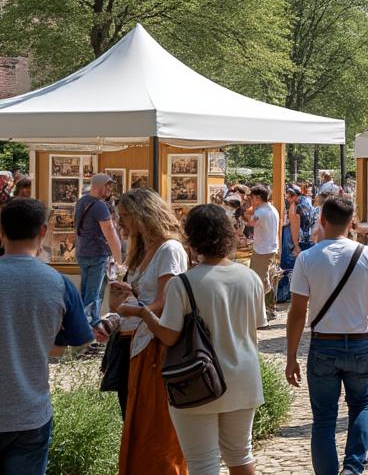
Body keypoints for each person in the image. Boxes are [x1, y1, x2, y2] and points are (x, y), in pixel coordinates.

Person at [125, 204, 265, 475]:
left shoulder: (183, 284)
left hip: (197, 380)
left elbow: (169, 335)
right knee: (240, 455)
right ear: (228, 234)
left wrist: (143, 312)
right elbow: (254, 326)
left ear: (192, 238)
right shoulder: (250, 278)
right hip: (244, 378)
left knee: (203, 463)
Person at [286, 196, 368, 475]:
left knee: (323, 419)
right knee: (362, 406)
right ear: (352, 222)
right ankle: (353, 469)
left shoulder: (307, 258)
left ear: (322, 220)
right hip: (359, 342)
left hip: (323, 345)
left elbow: (297, 313)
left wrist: (291, 356)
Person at [0, 198, 94, 474]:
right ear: (43, 232)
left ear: (2, 231)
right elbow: (80, 341)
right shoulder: (59, 283)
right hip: (29, 412)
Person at [108, 188, 190, 473]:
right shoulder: (142, 248)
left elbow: (166, 302)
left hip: (155, 347)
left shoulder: (169, 249)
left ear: (144, 215)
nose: (121, 223)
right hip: (133, 342)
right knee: (136, 424)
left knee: (155, 432)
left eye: (125, 217)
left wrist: (133, 306)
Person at [75, 173, 123, 324]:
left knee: (86, 292)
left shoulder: (81, 202)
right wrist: (119, 259)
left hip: (83, 253)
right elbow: (110, 232)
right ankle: (91, 327)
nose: (109, 188)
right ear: (98, 186)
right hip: (97, 254)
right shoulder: (100, 206)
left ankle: (82, 324)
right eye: (107, 185)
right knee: (94, 294)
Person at [244, 185, 280, 320]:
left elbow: (251, 223)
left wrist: (246, 214)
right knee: (265, 278)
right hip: (269, 247)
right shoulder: (272, 209)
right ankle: (268, 308)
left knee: (261, 280)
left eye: (252, 198)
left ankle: (268, 308)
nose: (251, 200)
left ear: (258, 198)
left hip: (262, 250)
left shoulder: (261, 212)